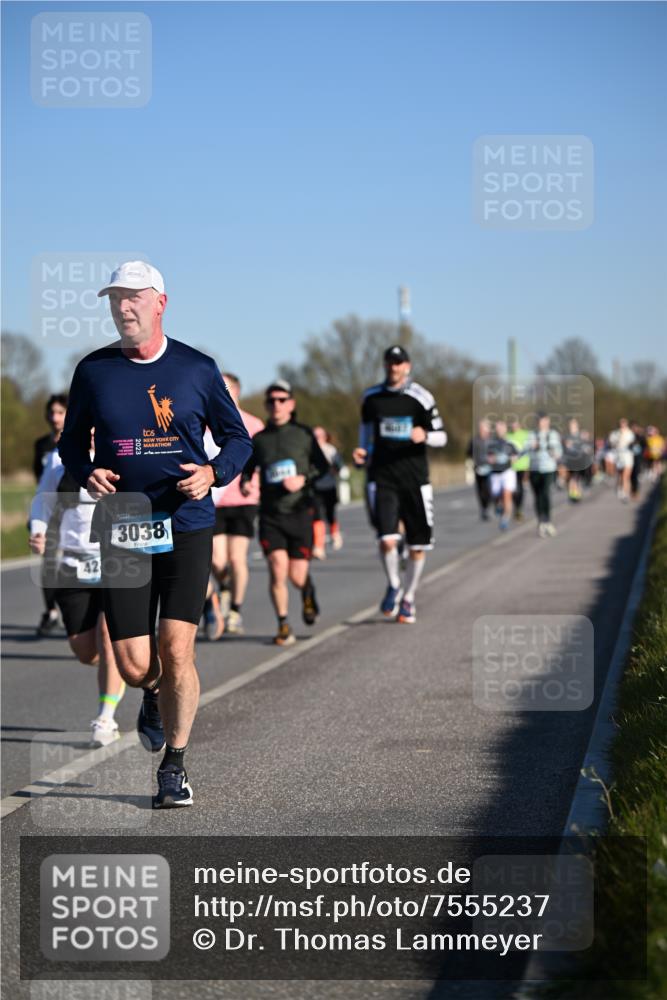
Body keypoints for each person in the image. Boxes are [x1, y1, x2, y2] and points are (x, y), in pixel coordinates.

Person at [59, 260, 252, 809]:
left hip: (186, 522)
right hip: (122, 523)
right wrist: (86, 468)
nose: (123, 307)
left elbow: (237, 440)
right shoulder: (93, 371)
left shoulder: (196, 369)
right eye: (116, 298)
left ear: (160, 303)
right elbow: (71, 443)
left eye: (134, 298)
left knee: (177, 646)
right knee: (138, 663)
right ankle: (149, 693)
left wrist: (214, 473)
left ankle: (174, 765)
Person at [29, 435, 126, 746]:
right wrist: (38, 530)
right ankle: (122, 665)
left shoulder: (123, 461)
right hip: (73, 564)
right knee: (86, 651)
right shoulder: (61, 463)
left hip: (116, 559)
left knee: (109, 637)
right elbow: (42, 499)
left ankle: (105, 717)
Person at [353, 344, 446, 624]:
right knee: (386, 539)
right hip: (383, 477)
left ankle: (408, 598)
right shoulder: (372, 398)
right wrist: (362, 453)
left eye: (399, 363)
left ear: (408, 366)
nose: (394, 367)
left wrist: (425, 435)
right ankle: (394, 584)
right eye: (389, 363)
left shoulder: (421, 397)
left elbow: (442, 437)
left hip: (415, 479)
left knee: (417, 546)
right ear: (385, 366)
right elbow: (366, 434)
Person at [240, 379, 330, 647]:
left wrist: (304, 478)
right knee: (277, 569)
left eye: (281, 400)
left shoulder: (303, 434)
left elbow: (323, 467)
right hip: (271, 515)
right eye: (271, 401)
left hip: (300, 511)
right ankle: (283, 624)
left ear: (291, 403)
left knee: (296, 576)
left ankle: (307, 591)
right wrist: (246, 482)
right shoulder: (260, 439)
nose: (276, 405)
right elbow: (248, 468)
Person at [202, 373, 264, 637]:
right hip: (214, 500)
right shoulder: (204, 424)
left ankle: (235, 611)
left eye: (227, 388)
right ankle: (223, 588)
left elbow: (261, 459)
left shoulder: (253, 424)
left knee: (237, 558)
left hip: (243, 499)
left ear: (237, 391)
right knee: (216, 560)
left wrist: (253, 482)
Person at [33, 393, 68, 636]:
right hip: (51, 511)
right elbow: (41, 480)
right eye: (51, 412)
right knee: (48, 561)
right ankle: (52, 610)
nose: (54, 417)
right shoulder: (43, 446)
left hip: (75, 515)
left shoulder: (80, 439)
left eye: (60, 412)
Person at [528, 412, 562, 538]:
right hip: (535, 469)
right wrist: (532, 448)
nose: (542, 423)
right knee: (537, 497)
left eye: (544, 420)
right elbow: (526, 451)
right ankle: (541, 522)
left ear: (548, 421)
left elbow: (559, 452)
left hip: (548, 469)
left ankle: (548, 521)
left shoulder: (553, 434)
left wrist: (555, 454)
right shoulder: (532, 435)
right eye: (539, 421)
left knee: (546, 494)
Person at [311, 427, 344, 559]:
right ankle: (319, 546)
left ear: (325, 436)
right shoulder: (309, 451)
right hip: (315, 487)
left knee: (330, 513)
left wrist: (332, 469)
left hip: (329, 486)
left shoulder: (331, 450)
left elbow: (338, 466)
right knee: (317, 516)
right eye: (315, 435)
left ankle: (335, 532)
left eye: (320, 435)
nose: (318, 438)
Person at [487, 420, 519, 530]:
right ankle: (499, 506)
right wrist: (492, 459)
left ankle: (505, 518)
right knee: (496, 496)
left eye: (502, 428)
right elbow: (489, 458)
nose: (500, 430)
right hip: (495, 473)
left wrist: (512, 458)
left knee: (507, 495)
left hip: (507, 472)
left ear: (505, 429)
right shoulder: (492, 443)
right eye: (498, 428)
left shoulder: (510, 443)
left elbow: (515, 457)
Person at [467, 419, 492, 521]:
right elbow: (468, 453)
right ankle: (483, 508)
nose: (483, 430)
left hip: (490, 469)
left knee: (489, 490)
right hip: (478, 469)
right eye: (481, 428)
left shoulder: (491, 440)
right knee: (480, 490)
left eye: (485, 428)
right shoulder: (474, 440)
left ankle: (487, 506)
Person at [506, 419, 530, 521]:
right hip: (511, 467)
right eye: (512, 424)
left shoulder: (526, 434)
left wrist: (519, 456)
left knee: (520, 488)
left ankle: (518, 509)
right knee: (513, 489)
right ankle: (516, 507)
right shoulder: (508, 435)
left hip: (523, 466)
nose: (514, 426)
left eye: (515, 424)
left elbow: (528, 448)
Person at [609, 417, 635, 502]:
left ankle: (625, 493)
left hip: (628, 457)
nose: (622, 425)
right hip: (619, 456)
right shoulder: (615, 433)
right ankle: (620, 488)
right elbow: (611, 443)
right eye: (621, 423)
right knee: (620, 475)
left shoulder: (630, 433)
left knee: (626, 475)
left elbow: (632, 443)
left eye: (624, 423)